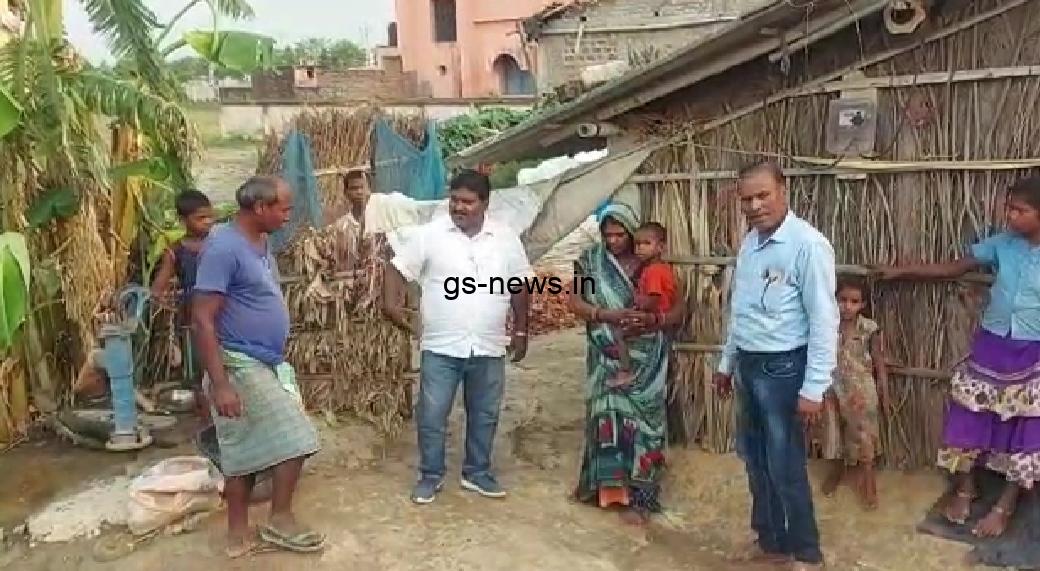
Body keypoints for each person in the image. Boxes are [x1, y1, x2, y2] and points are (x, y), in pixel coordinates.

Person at [876, 175, 1040, 538]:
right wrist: (904, 270)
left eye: (1020, 210)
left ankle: (1005, 506)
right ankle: (966, 489)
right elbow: (955, 267)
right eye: (1009, 208)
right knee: (967, 413)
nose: (1010, 215)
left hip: (1033, 352)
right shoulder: (1003, 244)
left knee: (1028, 427)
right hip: (991, 344)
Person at [713, 160, 839, 570]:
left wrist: (814, 387)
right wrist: (727, 362)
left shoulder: (807, 245)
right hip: (749, 365)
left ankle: (806, 552)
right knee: (755, 460)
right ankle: (771, 542)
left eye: (763, 195)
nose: (754, 206)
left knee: (785, 465)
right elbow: (741, 310)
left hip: (784, 369)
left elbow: (824, 319)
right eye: (746, 199)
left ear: (783, 190)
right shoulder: (750, 243)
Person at [383, 169, 533, 505]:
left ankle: (477, 472)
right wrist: (391, 305)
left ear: (485, 203)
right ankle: (430, 475)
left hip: (488, 344)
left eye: (467, 201)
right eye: (454, 200)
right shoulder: (431, 234)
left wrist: (522, 329)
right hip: (441, 344)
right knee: (432, 414)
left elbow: (520, 282)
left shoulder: (505, 237)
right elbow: (397, 267)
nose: (459, 207)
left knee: (485, 413)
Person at [193, 175, 322, 558]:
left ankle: (238, 531)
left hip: (263, 361)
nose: (288, 215)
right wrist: (220, 384)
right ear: (261, 207)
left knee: (243, 447)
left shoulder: (260, 241)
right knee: (298, 438)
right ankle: (279, 519)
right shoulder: (223, 248)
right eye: (284, 208)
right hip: (237, 362)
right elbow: (202, 319)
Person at [568, 203, 684, 526]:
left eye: (620, 235)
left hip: (647, 359)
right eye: (608, 235)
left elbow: (678, 308)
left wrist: (654, 320)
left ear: (633, 233)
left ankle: (643, 497)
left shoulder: (652, 265)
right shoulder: (591, 262)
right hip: (605, 354)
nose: (613, 241)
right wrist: (607, 315)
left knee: (646, 424)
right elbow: (575, 302)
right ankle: (608, 491)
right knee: (607, 417)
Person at [818, 277, 890, 510]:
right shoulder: (826, 325)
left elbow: (878, 361)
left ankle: (868, 480)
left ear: (863, 304)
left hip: (860, 390)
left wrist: (883, 389)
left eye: (854, 301)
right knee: (833, 431)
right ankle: (837, 469)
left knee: (864, 434)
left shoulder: (869, 328)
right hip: (832, 387)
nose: (847, 306)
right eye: (843, 300)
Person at [151, 190, 215, 420]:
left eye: (210, 217)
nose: (207, 222)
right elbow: (157, 289)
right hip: (193, 321)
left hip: (225, 316)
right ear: (183, 220)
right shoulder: (175, 251)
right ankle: (207, 420)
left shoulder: (220, 244)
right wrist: (168, 302)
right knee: (199, 372)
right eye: (200, 218)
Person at [607, 222, 677, 389]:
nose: (640, 249)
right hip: (657, 316)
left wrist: (639, 306)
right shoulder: (656, 268)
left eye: (646, 244)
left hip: (654, 317)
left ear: (660, 247)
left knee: (619, 333)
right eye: (637, 244)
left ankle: (625, 371)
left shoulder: (654, 271)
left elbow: (654, 298)